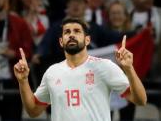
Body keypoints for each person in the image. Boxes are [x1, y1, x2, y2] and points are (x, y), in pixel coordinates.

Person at [14, 18, 147, 121]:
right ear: (61, 42)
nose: (71, 35)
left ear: (87, 40)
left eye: (77, 31)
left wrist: (129, 69)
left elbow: (141, 100)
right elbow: (33, 111)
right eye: (67, 32)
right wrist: (23, 81)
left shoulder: (104, 66)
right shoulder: (52, 72)